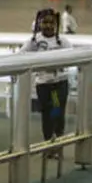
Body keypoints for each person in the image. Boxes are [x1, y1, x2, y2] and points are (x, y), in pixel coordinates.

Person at [19, 9, 72, 158]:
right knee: (46, 114)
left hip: (58, 84)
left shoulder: (62, 41)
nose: (48, 26)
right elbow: (20, 55)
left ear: (56, 24)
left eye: (51, 23)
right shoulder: (33, 41)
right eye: (45, 22)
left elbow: (73, 57)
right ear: (39, 23)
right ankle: (48, 143)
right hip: (43, 84)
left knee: (56, 111)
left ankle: (57, 143)